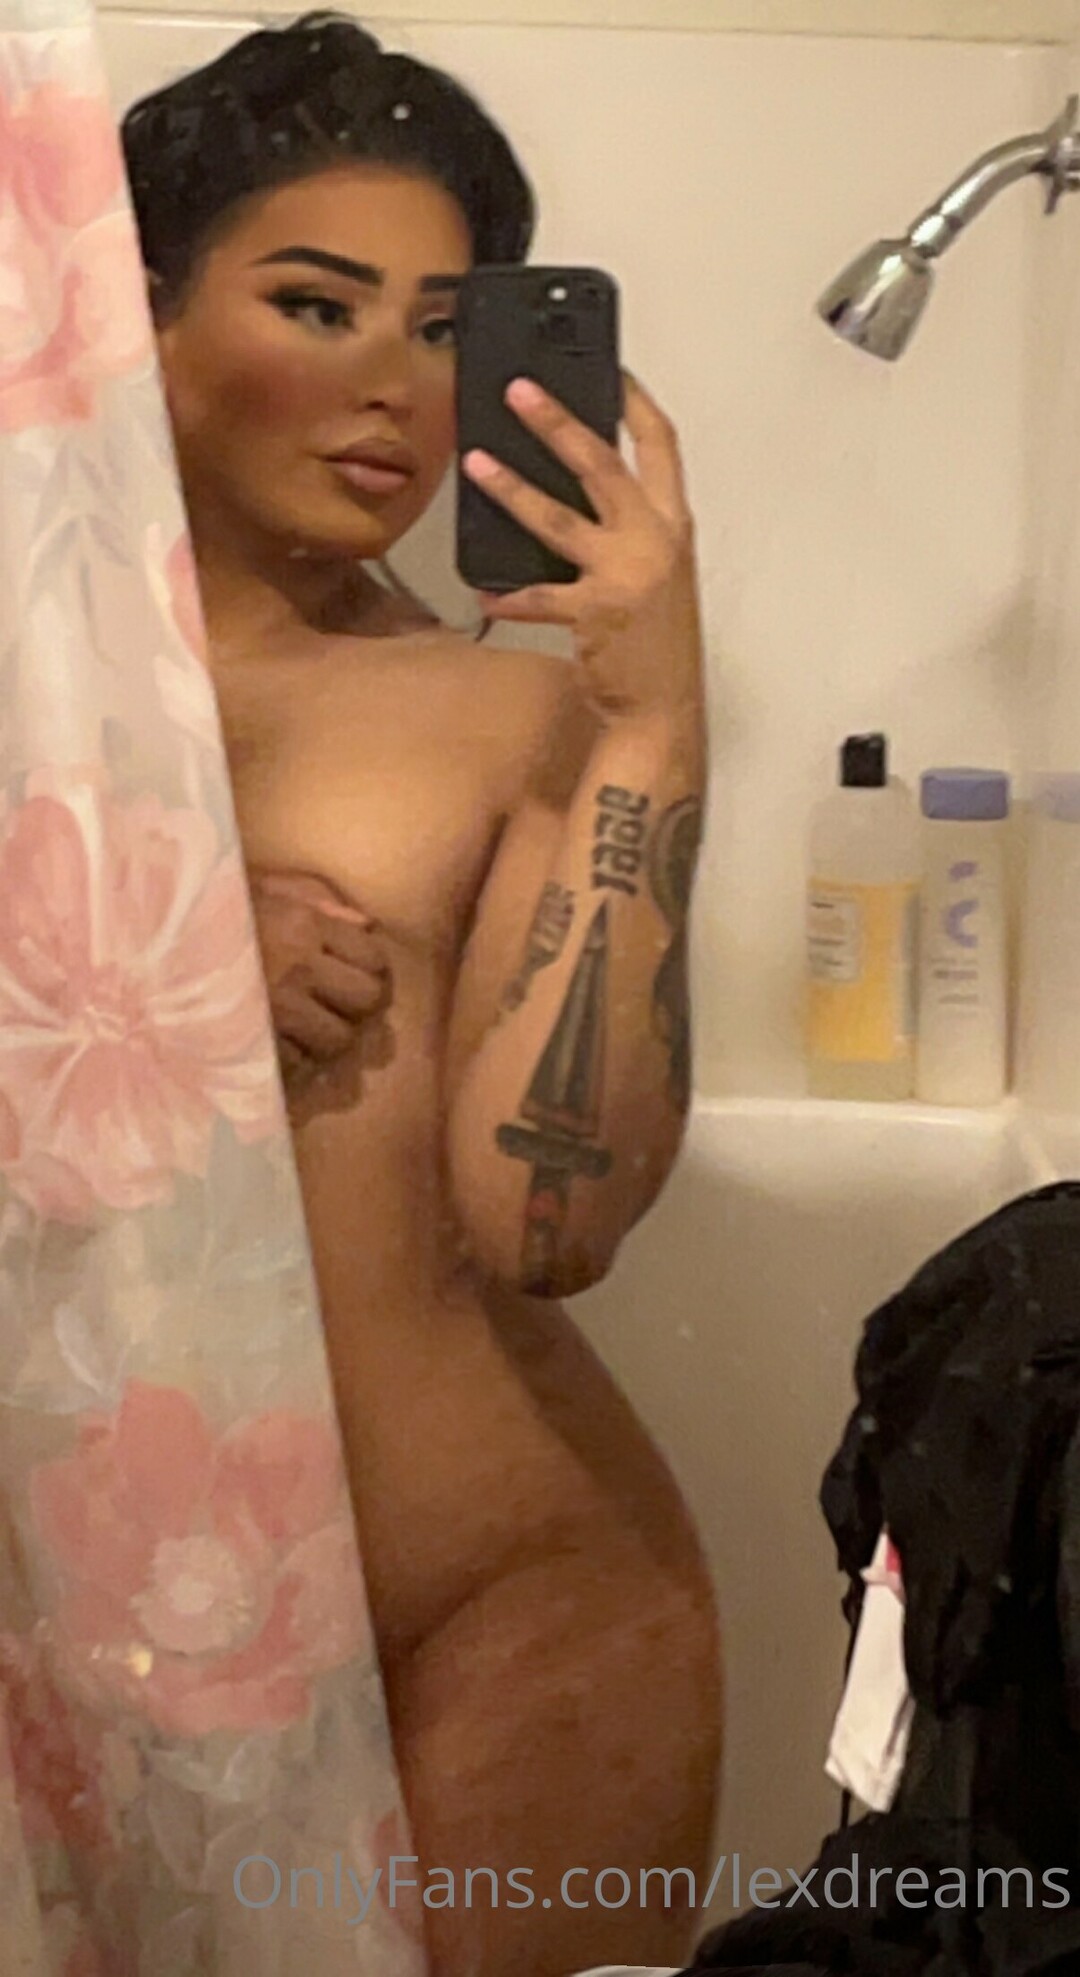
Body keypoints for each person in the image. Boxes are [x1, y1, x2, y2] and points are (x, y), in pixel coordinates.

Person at [121, 14, 721, 1973]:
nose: (396, 383)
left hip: (502, 1620)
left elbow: (547, 1224)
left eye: (450, 328)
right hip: (94, 1633)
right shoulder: (36, 707)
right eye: (318, 304)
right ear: (135, 318)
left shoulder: (499, 714)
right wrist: (120, 947)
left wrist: (652, 730)